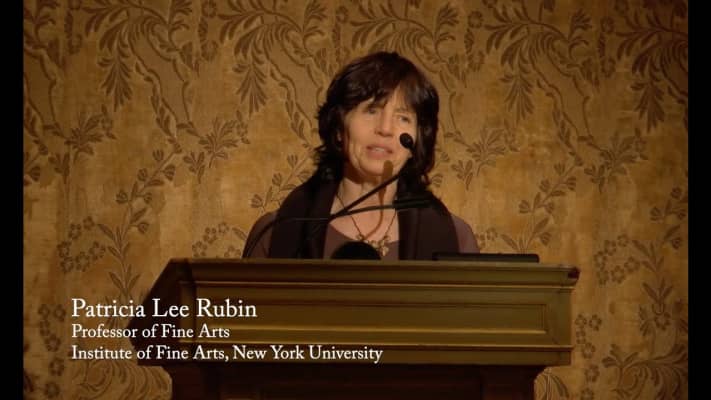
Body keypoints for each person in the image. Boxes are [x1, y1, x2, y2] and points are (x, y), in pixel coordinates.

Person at [243, 51, 478, 260]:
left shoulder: (456, 238)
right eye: (371, 111)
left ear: (417, 139)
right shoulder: (275, 232)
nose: (385, 129)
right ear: (339, 129)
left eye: (403, 117)